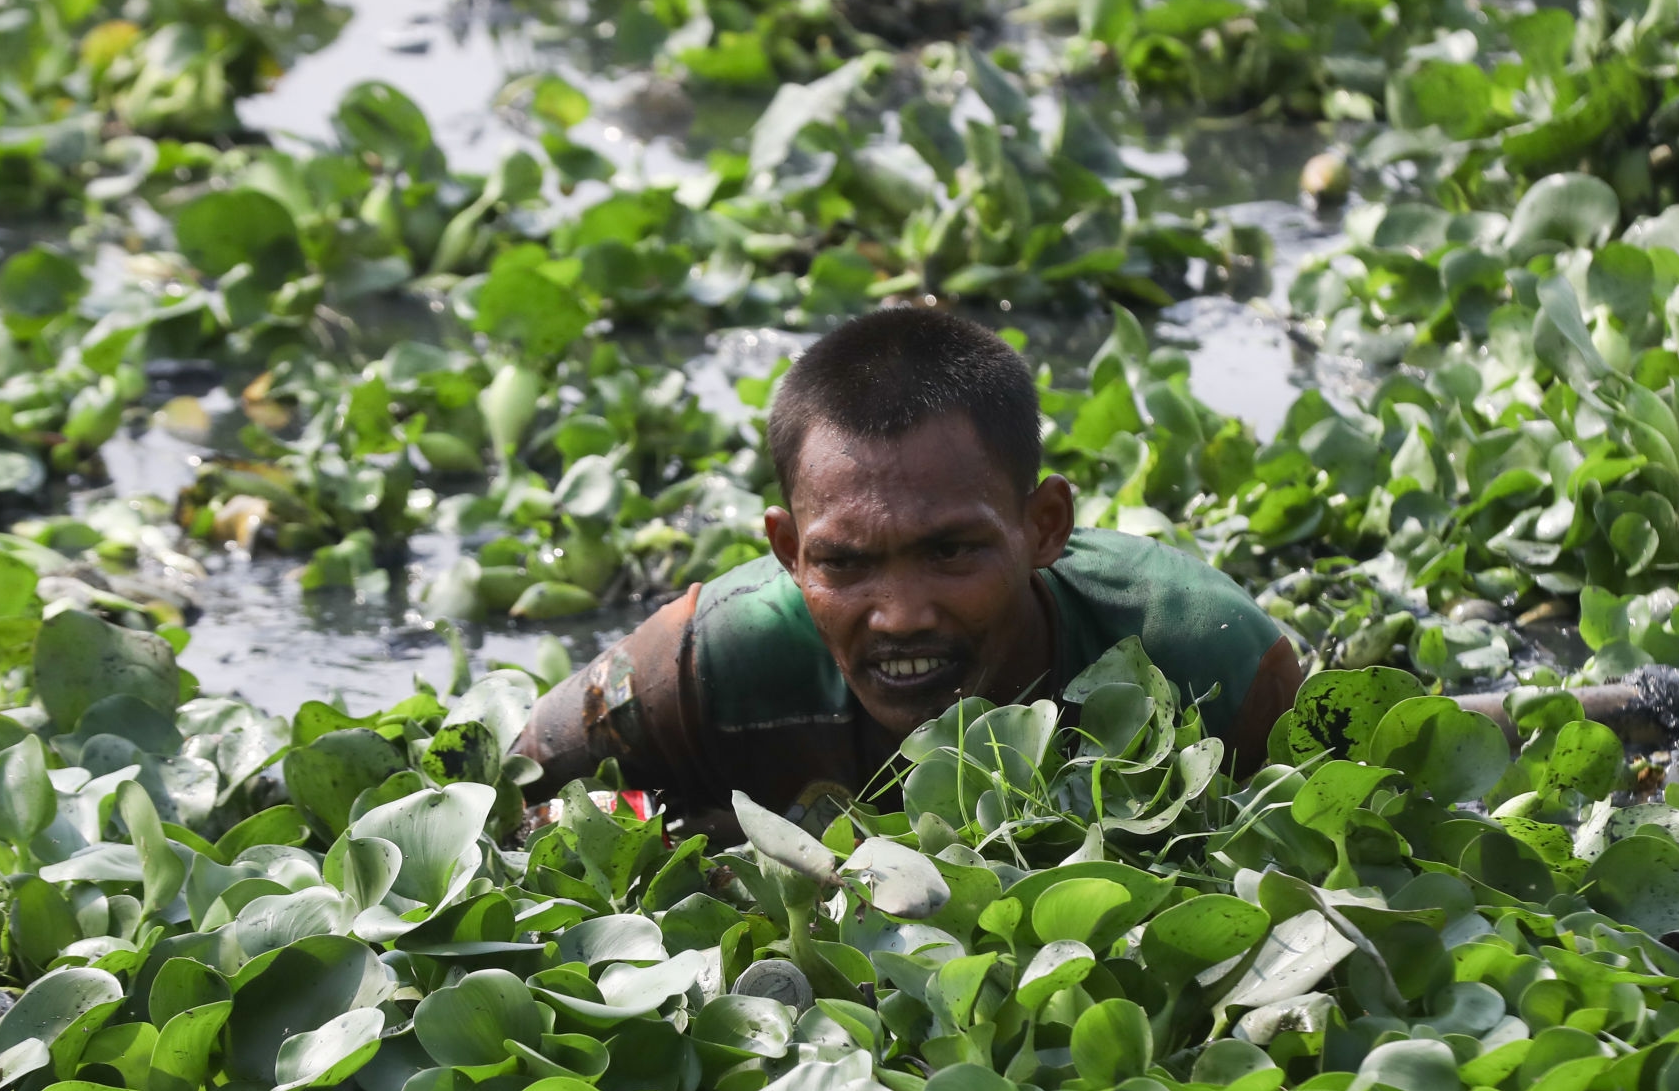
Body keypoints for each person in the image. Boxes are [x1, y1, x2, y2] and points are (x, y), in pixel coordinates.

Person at [515, 306, 1303, 830]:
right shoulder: (701, 661)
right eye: (844, 563)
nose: (900, 615)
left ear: (1045, 527)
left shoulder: (1209, 660)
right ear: (789, 552)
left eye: (950, 551)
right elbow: (507, 798)